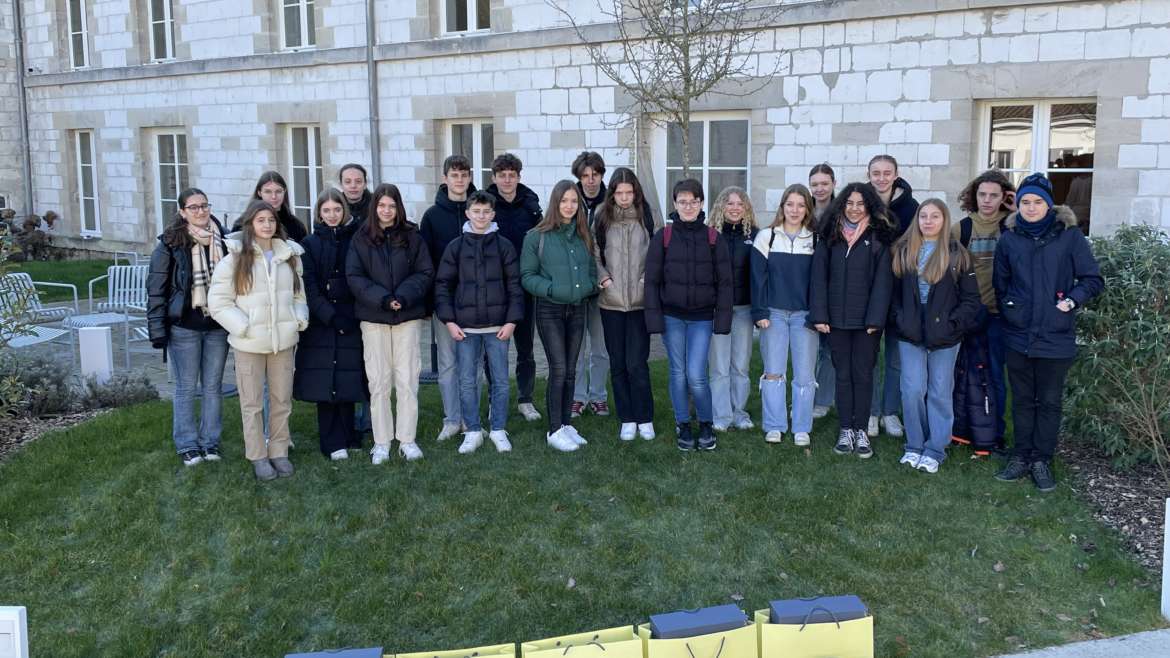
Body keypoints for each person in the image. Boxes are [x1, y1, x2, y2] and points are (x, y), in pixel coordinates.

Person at [992, 173, 1103, 492]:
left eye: (1037, 202)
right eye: (1025, 201)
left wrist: (1071, 300)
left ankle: (1041, 460)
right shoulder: (1010, 237)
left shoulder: (1069, 236)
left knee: (1050, 401)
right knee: (1023, 400)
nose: (1030, 207)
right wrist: (1012, 308)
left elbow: (1092, 279)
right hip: (1018, 335)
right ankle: (1021, 456)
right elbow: (1000, 284)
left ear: (1049, 204)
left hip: (1056, 334)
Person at [208, 200, 308, 481]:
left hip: (283, 342)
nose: (267, 225)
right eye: (261, 220)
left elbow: (299, 294)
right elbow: (218, 302)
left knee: (281, 399)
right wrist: (243, 327)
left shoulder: (289, 256)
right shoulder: (234, 259)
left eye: (271, 220)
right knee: (252, 403)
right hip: (249, 343)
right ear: (250, 223)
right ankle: (257, 455)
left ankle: (278, 451)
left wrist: (297, 317)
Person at [890, 199, 982, 474]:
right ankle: (915, 445)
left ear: (944, 221)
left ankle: (935, 448)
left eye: (935, 217)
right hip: (911, 332)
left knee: (940, 391)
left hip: (945, 334)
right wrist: (901, 319)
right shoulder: (904, 252)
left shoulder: (957, 254)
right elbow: (893, 297)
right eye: (923, 216)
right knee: (912, 389)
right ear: (916, 220)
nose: (928, 221)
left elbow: (971, 299)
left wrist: (954, 325)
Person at [347, 184, 434, 464]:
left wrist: (403, 297)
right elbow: (355, 276)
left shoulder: (412, 235)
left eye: (392, 206)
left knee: (407, 380)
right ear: (375, 208)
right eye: (382, 206)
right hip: (374, 318)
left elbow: (425, 271)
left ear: (398, 208)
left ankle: (407, 439)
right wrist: (383, 299)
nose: (386, 211)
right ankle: (382, 441)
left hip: (407, 317)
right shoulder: (361, 238)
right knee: (379, 380)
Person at [644, 179, 733, 452]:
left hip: (702, 318)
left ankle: (705, 423)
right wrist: (654, 319)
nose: (688, 206)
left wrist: (723, 320)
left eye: (694, 201)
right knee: (678, 373)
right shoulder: (664, 237)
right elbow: (652, 281)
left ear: (702, 204)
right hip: (672, 317)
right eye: (683, 201)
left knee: (696, 374)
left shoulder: (713, 238)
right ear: (675, 204)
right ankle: (683, 423)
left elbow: (725, 283)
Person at [809, 182, 896, 459]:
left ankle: (861, 430)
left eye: (860, 203)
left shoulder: (878, 238)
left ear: (868, 205)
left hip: (866, 323)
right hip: (835, 321)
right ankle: (846, 428)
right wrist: (820, 315)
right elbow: (818, 279)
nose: (855, 208)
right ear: (842, 205)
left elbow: (884, 283)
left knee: (863, 375)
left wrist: (876, 319)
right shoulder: (829, 236)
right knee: (842, 376)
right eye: (850, 203)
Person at [435, 190, 525, 455]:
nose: (481, 216)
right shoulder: (456, 247)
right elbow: (443, 286)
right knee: (466, 380)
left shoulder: (504, 246)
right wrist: (449, 321)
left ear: (493, 214)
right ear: (468, 213)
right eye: (476, 211)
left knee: (499, 380)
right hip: (466, 329)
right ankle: (472, 429)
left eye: (486, 212)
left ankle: (498, 428)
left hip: (498, 328)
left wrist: (511, 321)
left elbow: (515, 286)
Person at [147, 188, 230, 467]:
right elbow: (156, 290)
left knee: (212, 386)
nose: (200, 211)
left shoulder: (224, 240)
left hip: (218, 325)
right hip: (184, 326)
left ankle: (210, 442)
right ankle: (187, 444)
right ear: (182, 212)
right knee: (185, 387)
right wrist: (157, 330)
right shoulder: (170, 243)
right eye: (193, 207)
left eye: (204, 205)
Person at [521, 180, 599, 452]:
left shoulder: (583, 235)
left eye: (574, 201)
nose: (569, 206)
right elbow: (527, 277)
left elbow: (591, 270)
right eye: (564, 201)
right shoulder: (537, 236)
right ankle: (554, 430)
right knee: (559, 368)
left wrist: (588, 287)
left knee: (572, 369)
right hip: (550, 309)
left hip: (577, 308)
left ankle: (566, 424)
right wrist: (552, 289)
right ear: (555, 203)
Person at [293, 189, 366, 461]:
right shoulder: (309, 244)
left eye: (337, 210)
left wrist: (350, 314)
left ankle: (349, 435)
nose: (332, 215)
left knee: (347, 378)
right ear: (319, 214)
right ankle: (331, 440)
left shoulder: (356, 240)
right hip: (322, 323)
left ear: (344, 211)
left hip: (351, 318)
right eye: (327, 211)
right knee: (325, 382)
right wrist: (330, 315)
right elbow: (308, 285)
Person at [951, 169, 1015, 452]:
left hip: (999, 315)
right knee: (961, 373)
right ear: (973, 196)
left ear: (1004, 197)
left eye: (994, 195)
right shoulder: (961, 228)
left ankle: (994, 434)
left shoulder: (1013, 225)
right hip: (967, 313)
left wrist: (1016, 211)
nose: (987, 200)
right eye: (982, 194)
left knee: (995, 376)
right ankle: (960, 429)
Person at [593, 167, 658, 441]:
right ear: (612, 194)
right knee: (617, 362)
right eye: (619, 193)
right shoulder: (601, 216)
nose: (624, 198)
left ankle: (645, 417)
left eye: (628, 192)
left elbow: (657, 251)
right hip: (611, 302)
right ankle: (626, 418)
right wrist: (604, 278)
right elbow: (594, 252)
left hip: (640, 302)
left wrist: (647, 278)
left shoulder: (647, 215)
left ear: (636, 192)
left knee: (637, 363)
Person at [751, 184, 818, 446]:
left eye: (801, 205)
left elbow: (819, 282)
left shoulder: (814, 239)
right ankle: (775, 424)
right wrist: (760, 311)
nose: (795, 210)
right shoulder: (766, 237)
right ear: (782, 207)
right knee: (773, 372)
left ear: (807, 210)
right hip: (774, 314)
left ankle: (801, 426)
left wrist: (817, 314)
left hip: (804, 316)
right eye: (790, 204)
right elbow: (758, 279)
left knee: (804, 374)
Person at [420, 155, 476, 442]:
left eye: (464, 175)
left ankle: (470, 418)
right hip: (445, 302)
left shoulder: (479, 210)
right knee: (447, 363)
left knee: (471, 364)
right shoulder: (432, 216)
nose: (459, 180)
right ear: (445, 178)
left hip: (477, 302)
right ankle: (452, 418)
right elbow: (425, 263)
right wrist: (431, 303)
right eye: (454, 175)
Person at [485, 153, 542, 422]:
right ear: (494, 177)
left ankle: (525, 399)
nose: (507, 180)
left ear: (519, 177)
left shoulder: (531, 206)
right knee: (494, 349)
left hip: (524, 287)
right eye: (502, 175)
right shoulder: (485, 204)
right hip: (494, 288)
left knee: (525, 348)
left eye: (512, 175)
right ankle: (494, 399)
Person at [865, 154, 919, 439]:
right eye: (876, 173)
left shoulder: (911, 207)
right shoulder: (860, 204)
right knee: (870, 357)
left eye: (887, 173)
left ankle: (889, 412)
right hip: (869, 292)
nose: (882, 178)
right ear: (869, 174)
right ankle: (872, 412)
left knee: (897, 359)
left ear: (896, 175)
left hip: (901, 292)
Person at [706, 186, 758, 432]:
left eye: (740, 203)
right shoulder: (710, 236)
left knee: (740, 365)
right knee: (719, 365)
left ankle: (739, 412)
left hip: (745, 309)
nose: (735, 208)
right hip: (719, 309)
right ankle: (721, 415)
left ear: (746, 207)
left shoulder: (756, 236)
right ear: (721, 207)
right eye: (730, 203)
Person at [570, 150, 611, 418]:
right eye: (585, 175)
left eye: (595, 174)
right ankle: (577, 396)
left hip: (603, 286)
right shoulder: (568, 200)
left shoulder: (611, 201)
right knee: (576, 347)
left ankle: (598, 395)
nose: (591, 180)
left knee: (601, 346)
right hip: (574, 285)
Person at [809, 164, 838, 419]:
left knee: (828, 348)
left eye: (824, 183)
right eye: (815, 184)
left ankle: (823, 399)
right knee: (807, 347)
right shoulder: (801, 209)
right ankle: (805, 393)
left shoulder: (841, 212)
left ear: (833, 184)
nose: (819, 188)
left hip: (832, 287)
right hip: (803, 285)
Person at [233, 171, 308, 243]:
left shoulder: (297, 227)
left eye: (278, 191)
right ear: (259, 193)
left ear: (284, 192)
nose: (274, 196)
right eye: (268, 192)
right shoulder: (242, 225)